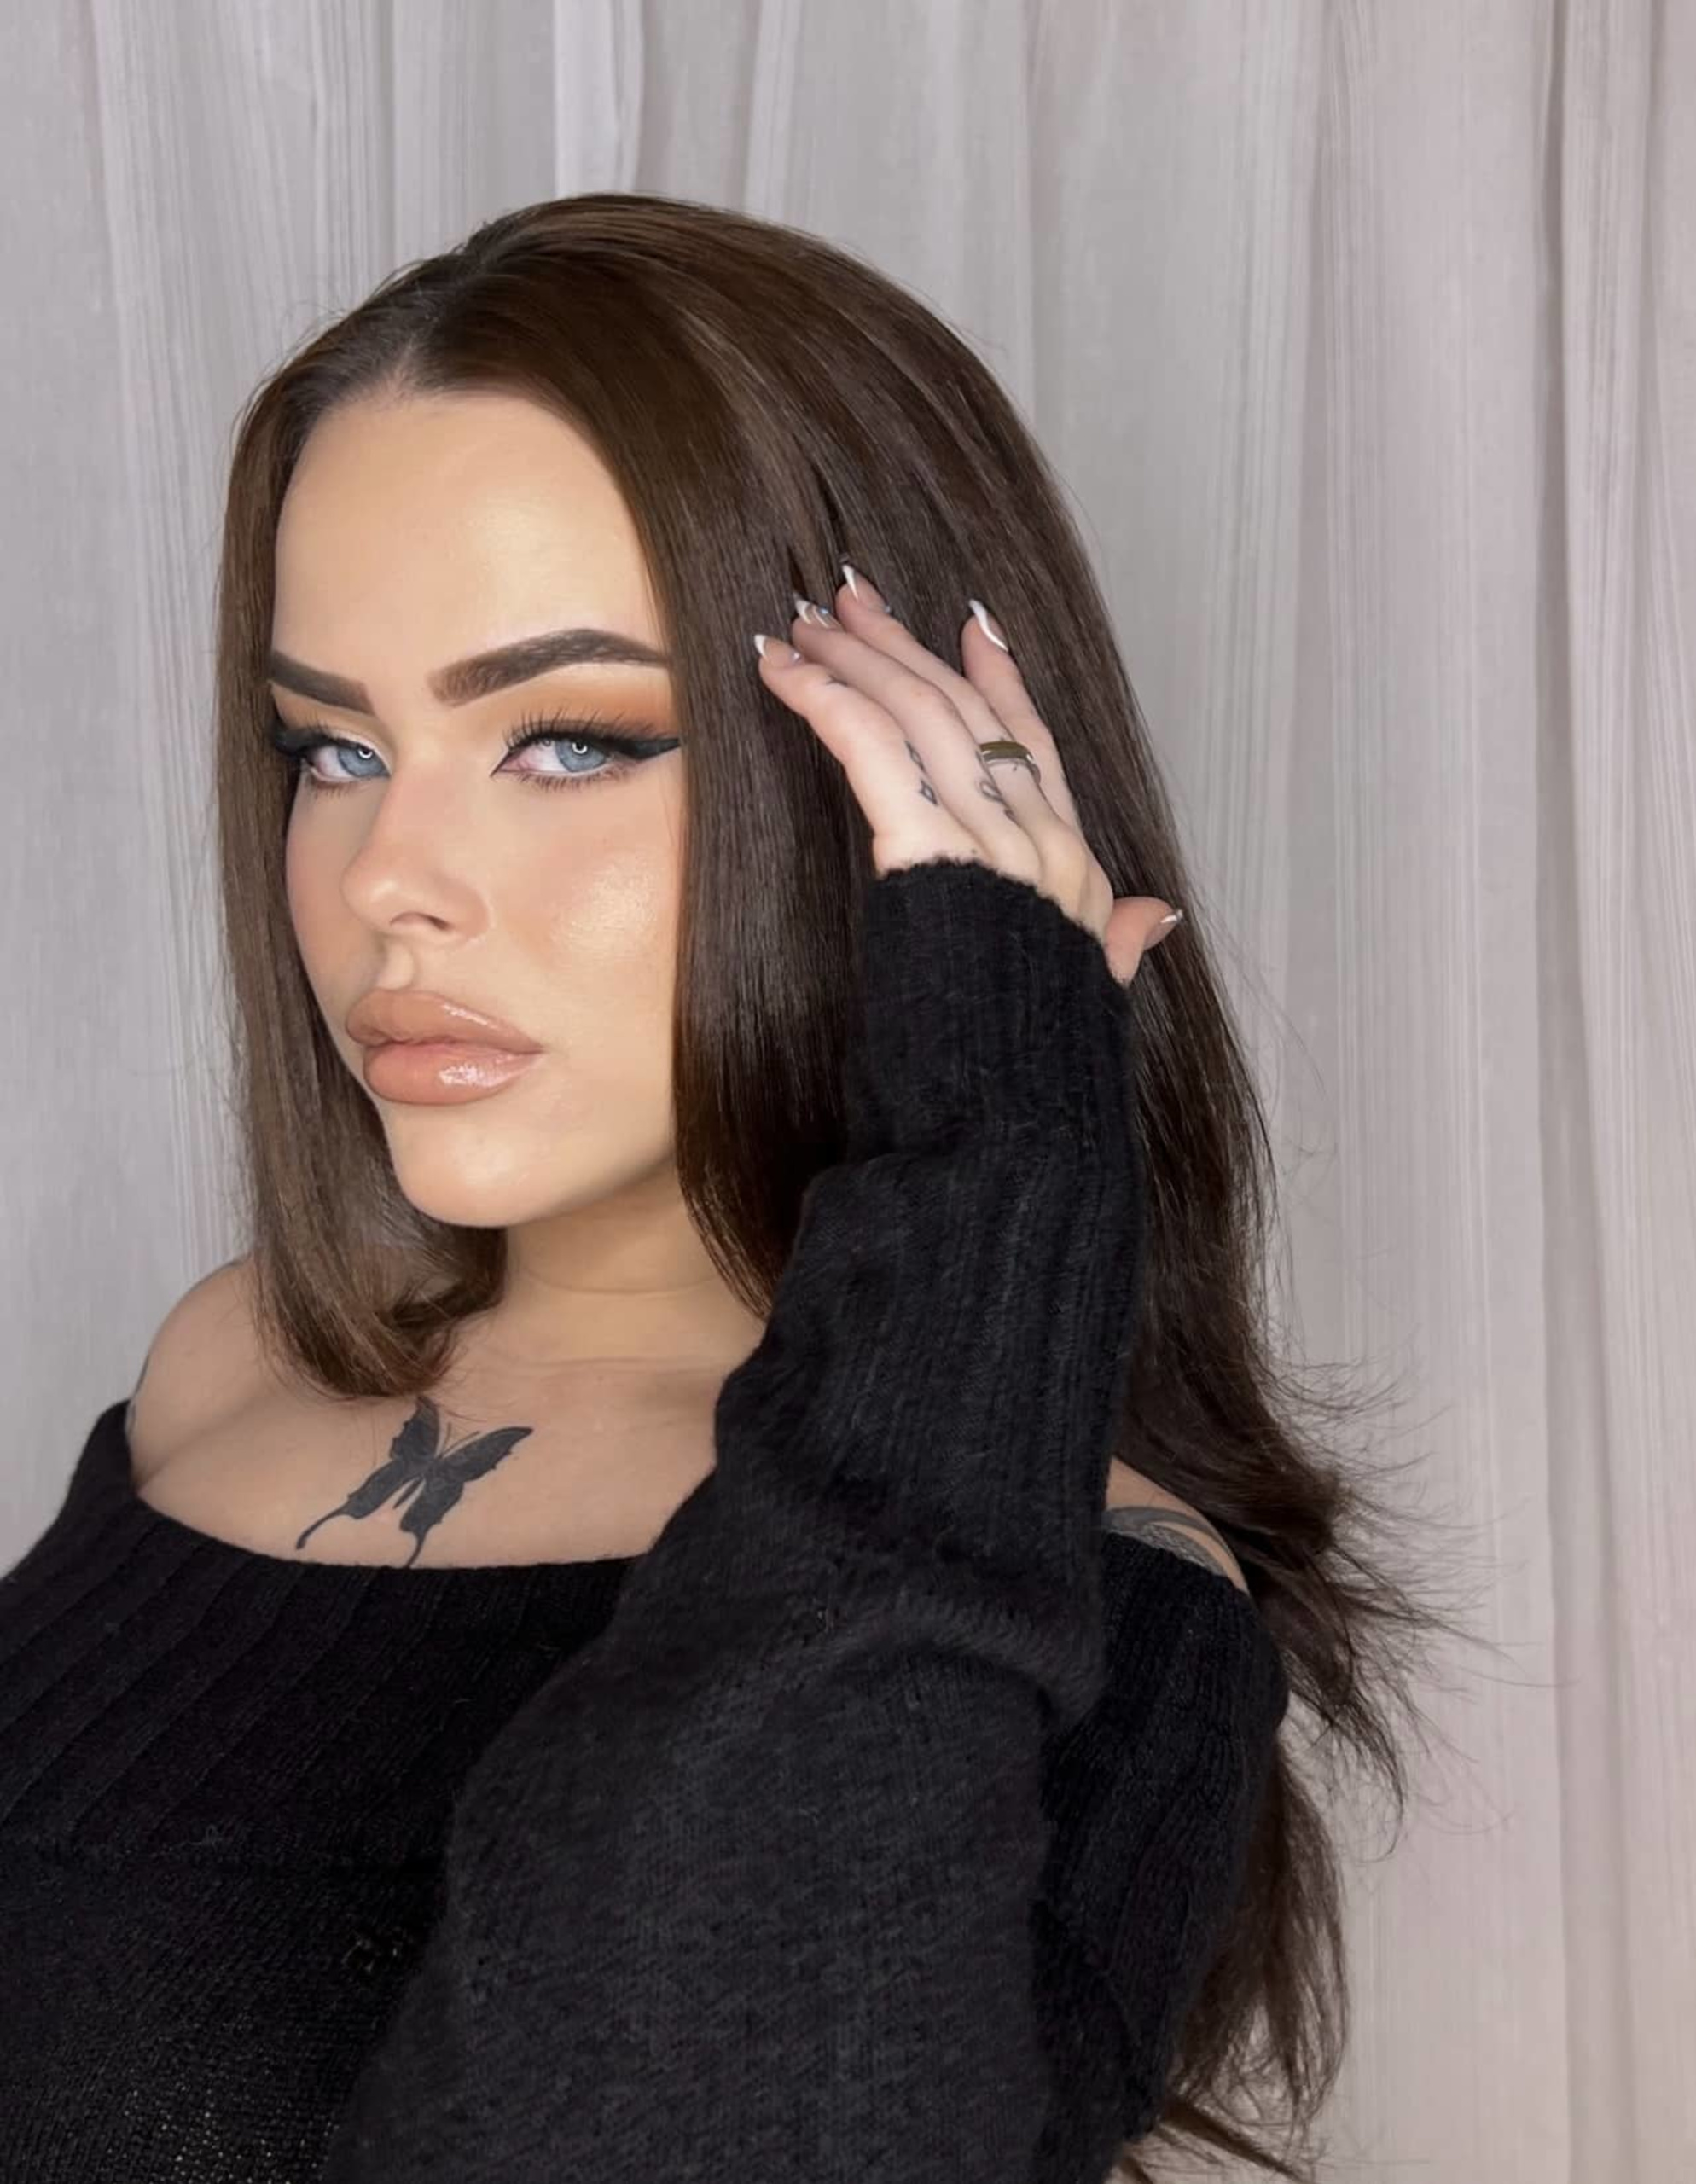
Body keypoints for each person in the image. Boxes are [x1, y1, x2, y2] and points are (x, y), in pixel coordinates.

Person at [0, 194, 1465, 2184]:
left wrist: (991, 1173)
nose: (386, 882)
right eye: (328, 748)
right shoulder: (232, 1358)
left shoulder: (1078, 1594)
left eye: (572, 742)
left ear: (922, 791)